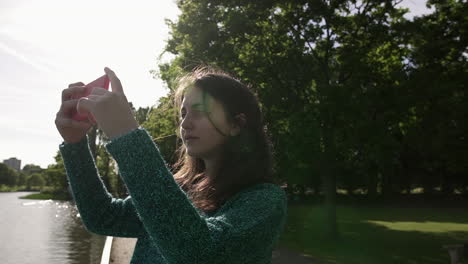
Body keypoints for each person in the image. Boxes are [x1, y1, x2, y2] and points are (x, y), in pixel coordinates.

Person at [55, 66, 288, 263]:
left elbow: (199, 254)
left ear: (236, 125)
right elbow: (103, 216)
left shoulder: (265, 200)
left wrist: (128, 138)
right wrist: (75, 145)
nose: (185, 123)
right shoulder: (179, 188)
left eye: (199, 112)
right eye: (183, 113)